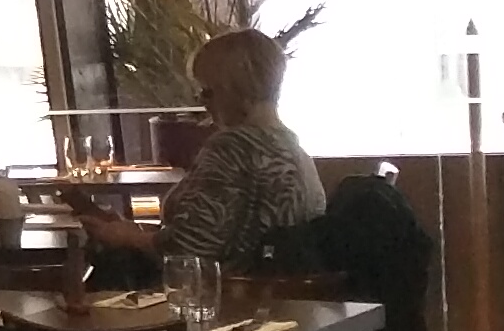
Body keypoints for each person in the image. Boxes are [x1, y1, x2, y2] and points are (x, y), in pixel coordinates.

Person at [78, 27, 324, 264]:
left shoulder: (233, 147)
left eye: (207, 91)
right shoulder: (292, 148)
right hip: (282, 288)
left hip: (230, 289)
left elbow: (189, 249)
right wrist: (132, 231)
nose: (201, 101)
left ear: (235, 89)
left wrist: (127, 237)